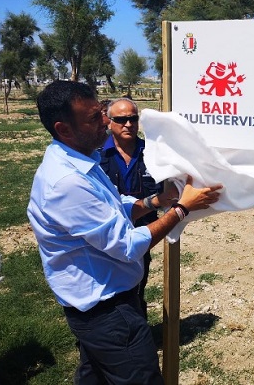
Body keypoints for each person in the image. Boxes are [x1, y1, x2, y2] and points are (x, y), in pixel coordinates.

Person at [27, 80, 222, 384]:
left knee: (95, 377)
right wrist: (182, 208)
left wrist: (158, 200)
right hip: (108, 312)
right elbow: (128, 245)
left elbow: (116, 208)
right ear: (63, 129)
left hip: (98, 308)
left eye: (101, 112)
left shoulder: (82, 162)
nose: (106, 122)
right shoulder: (67, 182)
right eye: (95, 118)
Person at [99, 97, 161, 319]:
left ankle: (137, 326)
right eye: (121, 119)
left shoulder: (153, 154)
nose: (128, 124)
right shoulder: (96, 156)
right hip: (107, 235)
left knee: (137, 284)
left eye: (133, 119)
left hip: (142, 233)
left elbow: (165, 190)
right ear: (108, 121)